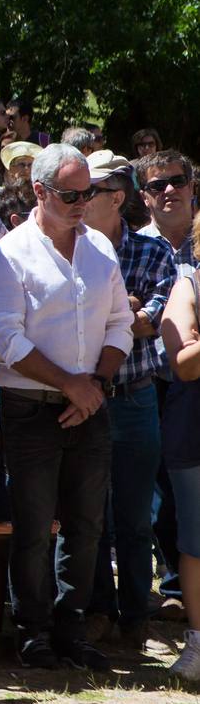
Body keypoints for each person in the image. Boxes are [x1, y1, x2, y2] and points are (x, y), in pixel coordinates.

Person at [0, 143, 133, 672]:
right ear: (40, 192)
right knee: (32, 524)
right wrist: (72, 385)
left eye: (87, 192)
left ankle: (73, 627)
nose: (80, 202)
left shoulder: (99, 249)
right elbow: (4, 337)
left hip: (90, 400)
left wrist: (92, 384)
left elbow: (120, 324)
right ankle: (32, 631)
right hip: (30, 406)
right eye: (70, 194)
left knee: (87, 524)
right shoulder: (10, 253)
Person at [79, 157, 174, 651]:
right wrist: (124, 308)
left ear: (116, 198)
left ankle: (136, 615)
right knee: (88, 516)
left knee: (136, 517)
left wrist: (121, 313)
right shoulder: (72, 253)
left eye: (88, 191)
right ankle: (98, 610)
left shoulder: (152, 252)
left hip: (134, 400)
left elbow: (148, 323)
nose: (78, 199)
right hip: (83, 399)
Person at [161, 221, 200, 678]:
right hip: (194, 430)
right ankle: (197, 643)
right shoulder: (187, 284)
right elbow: (185, 365)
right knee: (195, 539)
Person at [137, 150, 196, 277]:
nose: (170, 190)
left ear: (191, 188)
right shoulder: (132, 249)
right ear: (144, 198)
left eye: (178, 181)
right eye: (158, 185)